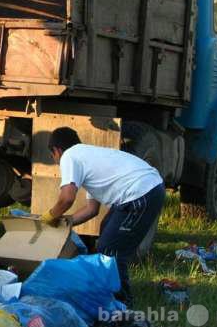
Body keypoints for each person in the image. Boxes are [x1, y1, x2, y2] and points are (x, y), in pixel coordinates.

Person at [42, 127, 165, 306]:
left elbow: (67, 198)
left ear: (57, 150)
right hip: (146, 189)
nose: (55, 160)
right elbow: (92, 210)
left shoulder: (69, 156)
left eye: (53, 156)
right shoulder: (88, 157)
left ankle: (122, 304)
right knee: (106, 229)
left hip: (141, 193)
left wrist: (49, 216)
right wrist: (63, 223)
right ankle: (107, 291)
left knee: (110, 250)